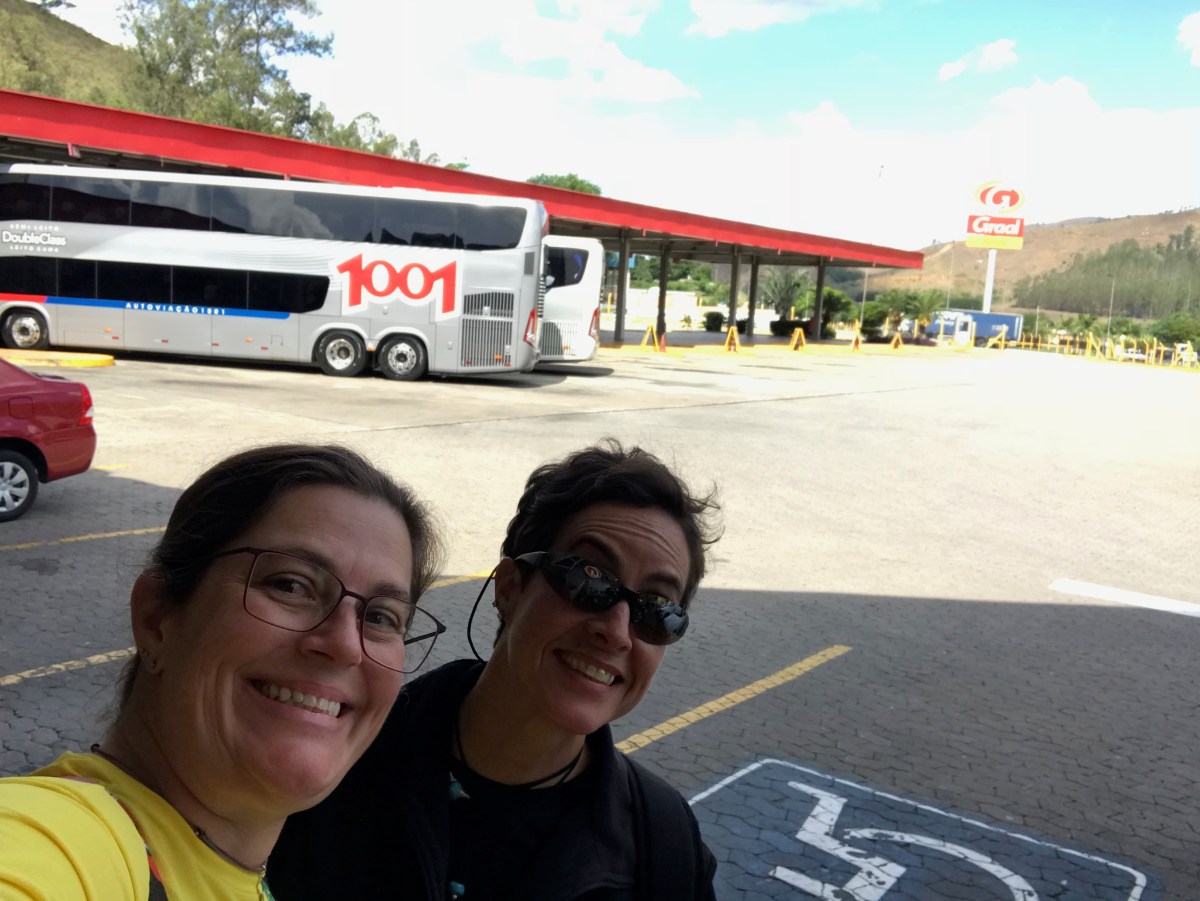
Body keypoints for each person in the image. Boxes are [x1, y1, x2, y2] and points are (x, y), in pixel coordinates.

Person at [271, 439, 722, 900]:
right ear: (509, 588)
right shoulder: (329, 754)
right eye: (586, 578)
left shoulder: (664, 851)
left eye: (656, 609)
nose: (617, 632)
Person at [0, 444, 445, 899]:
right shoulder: (56, 845)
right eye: (290, 585)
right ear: (157, 619)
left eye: (381, 617)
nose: (346, 646)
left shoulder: (237, 872)